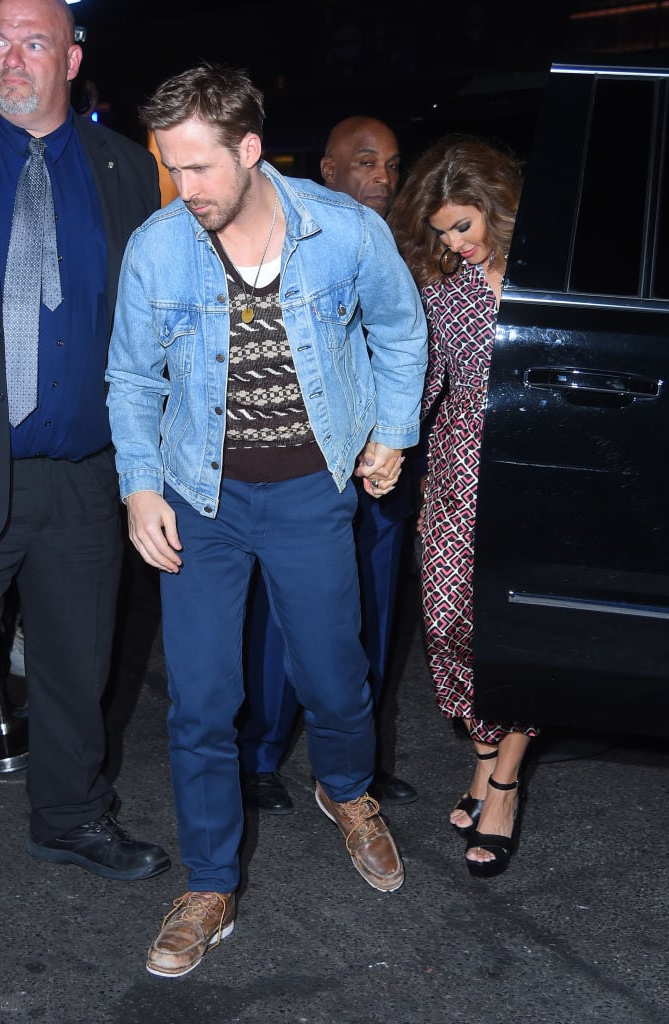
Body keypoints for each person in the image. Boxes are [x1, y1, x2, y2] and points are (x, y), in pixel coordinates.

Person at [105, 64, 428, 977]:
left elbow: (400, 334)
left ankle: (349, 791)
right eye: (172, 168)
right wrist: (138, 486)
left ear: (249, 150)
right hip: (199, 502)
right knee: (203, 702)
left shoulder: (346, 233)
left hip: (306, 492)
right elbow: (132, 380)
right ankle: (211, 883)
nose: (185, 189)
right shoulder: (159, 248)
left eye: (200, 168)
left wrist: (392, 435)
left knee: (333, 677)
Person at [0, 0, 169, 880]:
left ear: (70, 58)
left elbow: (159, 321)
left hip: (85, 476)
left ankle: (69, 817)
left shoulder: (127, 171)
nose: (10, 60)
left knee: (76, 667)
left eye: (32, 42)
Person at [240, 115, 418, 813]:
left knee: (368, 615)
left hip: (386, 463)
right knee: (286, 614)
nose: (382, 177)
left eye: (393, 165)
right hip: (310, 465)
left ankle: (352, 765)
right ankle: (259, 754)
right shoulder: (310, 239)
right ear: (329, 170)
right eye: (367, 162)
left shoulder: (408, 244)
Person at [388, 134, 538, 878]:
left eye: (463, 226)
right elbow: (428, 378)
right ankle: (483, 757)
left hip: (536, 471)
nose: (454, 242)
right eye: (442, 230)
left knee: (518, 634)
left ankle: (500, 783)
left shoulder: (548, 279)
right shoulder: (439, 286)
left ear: (496, 209)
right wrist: (385, 442)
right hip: (455, 468)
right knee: (448, 621)